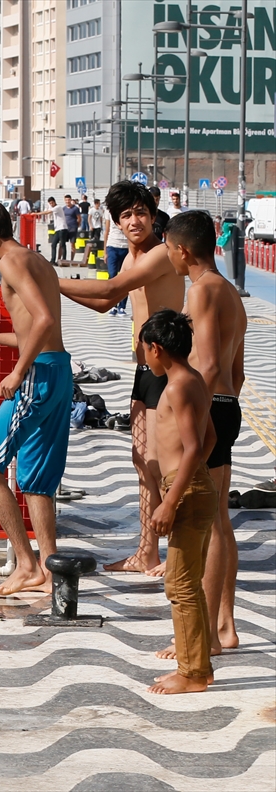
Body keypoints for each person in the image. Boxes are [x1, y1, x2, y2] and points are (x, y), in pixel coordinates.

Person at [60, 181, 185, 576]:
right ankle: (146, 551)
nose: (134, 220)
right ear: (115, 222)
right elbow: (105, 303)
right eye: (126, 215)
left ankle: (178, 553)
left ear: (153, 214)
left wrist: (49, 279)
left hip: (168, 372)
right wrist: (56, 289)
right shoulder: (132, 259)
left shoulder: (160, 253)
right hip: (144, 370)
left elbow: (110, 288)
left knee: (168, 465)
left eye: (140, 212)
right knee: (143, 461)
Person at [0, 197, 71, 595]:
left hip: (36, 376)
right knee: (37, 481)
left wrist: (18, 371)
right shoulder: (37, 259)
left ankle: (25, 564)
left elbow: (43, 319)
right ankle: (48, 570)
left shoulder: (8, 262)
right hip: (58, 369)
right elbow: (36, 330)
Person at [157, 210, 247, 657]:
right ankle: (223, 625)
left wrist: (195, 415)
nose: (167, 257)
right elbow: (237, 371)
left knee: (209, 523)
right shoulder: (230, 291)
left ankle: (207, 634)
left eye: (167, 248)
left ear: (182, 250)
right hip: (227, 404)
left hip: (211, 408)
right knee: (220, 520)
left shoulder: (203, 290)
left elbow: (208, 364)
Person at [138, 310, 217, 695]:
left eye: (144, 350)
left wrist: (170, 499)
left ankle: (192, 674)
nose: (144, 358)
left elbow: (195, 446)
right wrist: (193, 476)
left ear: (156, 348)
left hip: (184, 491)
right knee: (189, 583)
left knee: (180, 585)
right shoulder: (194, 379)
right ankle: (200, 666)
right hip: (193, 485)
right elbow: (211, 437)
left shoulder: (177, 387)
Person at [60, 195, 81, 262]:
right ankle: (61, 258)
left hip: (73, 228)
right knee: (62, 243)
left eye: (68, 200)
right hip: (65, 228)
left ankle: (72, 259)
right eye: (66, 200)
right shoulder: (63, 208)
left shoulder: (75, 208)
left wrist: (76, 226)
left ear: (71, 200)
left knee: (72, 244)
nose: (67, 201)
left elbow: (79, 218)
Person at [87, 197, 104, 265]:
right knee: (92, 239)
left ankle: (96, 253)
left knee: (97, 239)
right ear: (96, 204)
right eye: (98, 203)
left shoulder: (100, 210)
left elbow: (101, 218)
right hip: (93, 226)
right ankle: (91, 253)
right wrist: (90, 225)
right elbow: (89, 218)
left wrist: (101, 226)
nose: (99, 205)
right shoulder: (91, 210)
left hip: (98, 226)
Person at [46, 197, 62, 264]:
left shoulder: (57, 207)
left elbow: (48, 212)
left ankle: (63, 260)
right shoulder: (54, 208)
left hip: (62, 228)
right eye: (50, 203)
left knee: (62, 245)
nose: (51, 204)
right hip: (57, 229)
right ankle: (53, 260)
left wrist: (36, 214)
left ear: (55, 202)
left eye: (52, 203)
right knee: (53, 244)